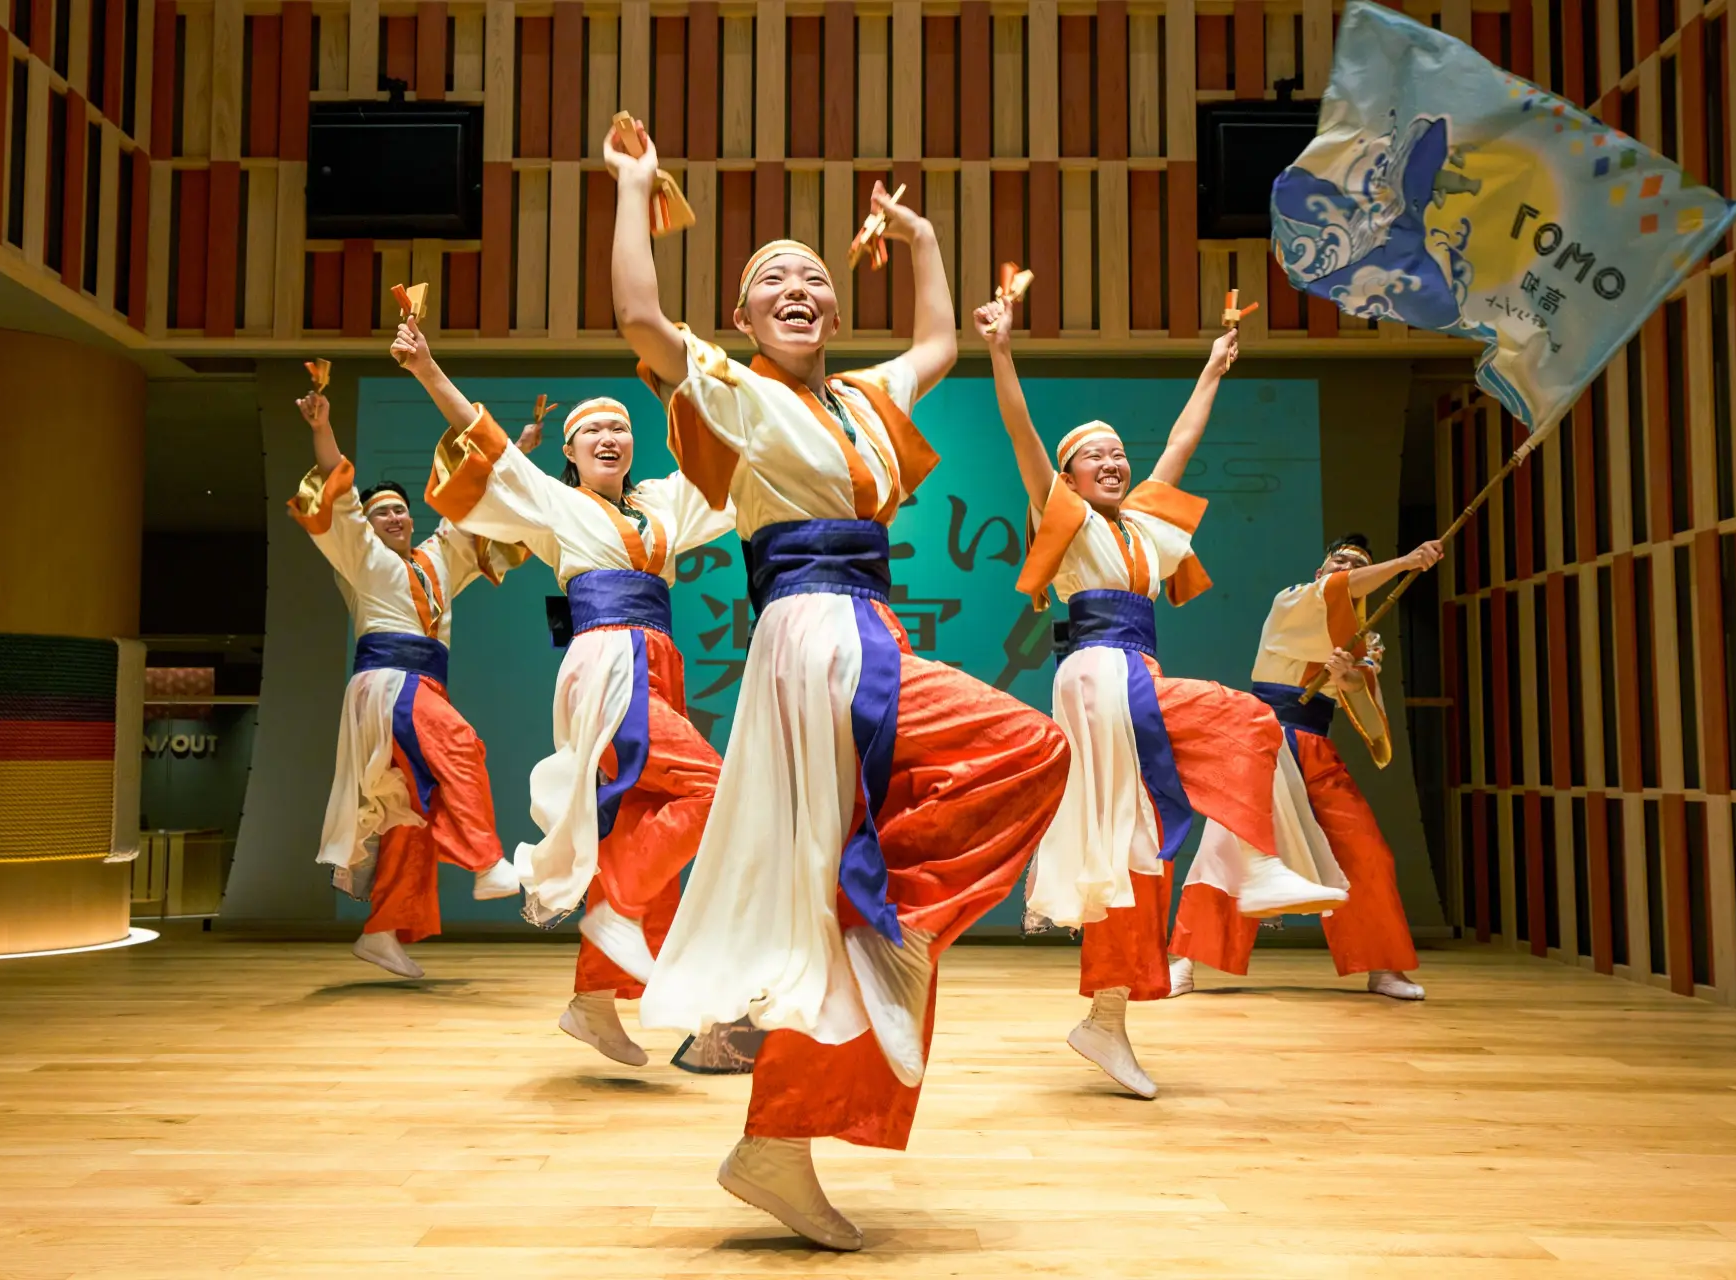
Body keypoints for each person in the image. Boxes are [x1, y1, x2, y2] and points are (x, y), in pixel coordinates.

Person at [604, 118, 1070, 1251]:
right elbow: (636, 318)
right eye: (773, 278)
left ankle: (778, 1142)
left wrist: (917, 235)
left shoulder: (863, 400)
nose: (799, 286)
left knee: (850, 892)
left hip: (863, 629)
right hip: (815, 635)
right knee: (1028, 746)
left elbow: (942, 343)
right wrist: (631, 187)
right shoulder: (728, 389)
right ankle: (891, 921)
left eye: (814, 274)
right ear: (743, 317)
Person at [975, 295, 1347, 1101]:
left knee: (1137, 853)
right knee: (1245, 721)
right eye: (1094, 455)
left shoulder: (1144, 527)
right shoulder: (1065, 521)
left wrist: (1213, 366)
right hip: (1102, 674)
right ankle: (1254, 862)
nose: (1112, 462)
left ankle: (1107, 1019)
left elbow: (1180, 442)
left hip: (1129, 676)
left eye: (1117, 454)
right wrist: (1002, 354)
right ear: (1068, 478)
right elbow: (1023, 437)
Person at [402, 317, 735, 1065]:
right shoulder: (554, 503)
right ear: (571, 451)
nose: (610, 438)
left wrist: (694, 386)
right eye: (593, 432)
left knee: (633, 827)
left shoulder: (658, 508)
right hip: (609, 663)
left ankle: (591, 1002)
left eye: (620, 428)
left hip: (659, 663)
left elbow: (724, 469)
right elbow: (484, 445)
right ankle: (613, 909)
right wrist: (428, 369)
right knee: (711, 789)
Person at [288, 386, 529, 979]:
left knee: (408, 816)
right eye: (382, 511)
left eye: (399, 508)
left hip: (424, 685)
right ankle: (484, 861)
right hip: (389, 683)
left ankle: (382, 931)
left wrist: (519, 451)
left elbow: (479, 511)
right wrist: (322, 427)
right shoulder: (362, 557)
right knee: (462, 747)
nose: (394, 515)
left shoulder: (438, 557)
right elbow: (335, 498)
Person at [1167, 534, 1442, 1000]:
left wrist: (1351, 678)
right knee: (1225, 850)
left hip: (1315, 750)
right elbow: (1336, 593)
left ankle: (1382, 966)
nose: (1348, 566)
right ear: (1322, 569)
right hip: (1264, 745)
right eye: (1341, 559)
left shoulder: (1361, 637)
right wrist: (1407, 562)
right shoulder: (1293, 601)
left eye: (1358, 563)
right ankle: (1186, 963)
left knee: (1367, 853)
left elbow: (1366, 709)